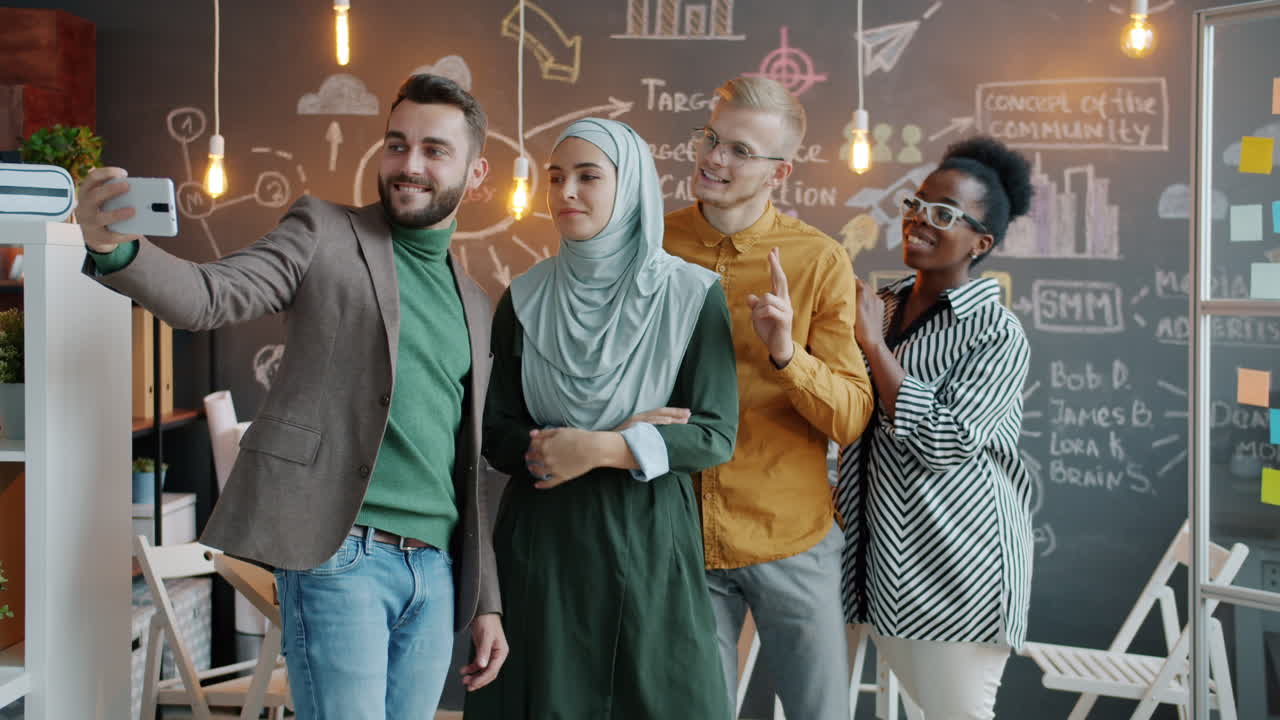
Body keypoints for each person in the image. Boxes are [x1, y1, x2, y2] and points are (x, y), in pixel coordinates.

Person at [76, 73, 507, 719]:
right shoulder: (323, 231)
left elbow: (467, 470)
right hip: (342, 554)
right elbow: (209, 295)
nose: (408, 164)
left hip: (438, 575)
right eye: (396, 144)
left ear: (476, 175)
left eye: (434, 150)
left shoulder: (477, 304)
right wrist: (114, 251)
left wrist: (487, 602)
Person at [464, 117, 738, 719]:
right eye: (556, 177)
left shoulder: (690, 294)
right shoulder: (526, 296)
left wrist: (606, 447)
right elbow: (496, 430)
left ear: (630, 186)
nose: (565, 192)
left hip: (646, 534)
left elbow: (715, 433)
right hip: (544, 538)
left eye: (589, 176)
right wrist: (548, 449)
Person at [663, 76, 875, 718]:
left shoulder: (818, 260)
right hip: (680, 536)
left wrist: (788, 353)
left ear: (779, 172)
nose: (714, 158)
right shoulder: (650, 242)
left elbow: (850, 417)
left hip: (793, 538)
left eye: (740, 151)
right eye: (711, 139)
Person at [837, 135, 1035, 720]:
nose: (921, 219)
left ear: (981, 242)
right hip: (864, 565)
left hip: (951, 574)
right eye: (917, 204)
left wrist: (873, 348)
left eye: (945, 214)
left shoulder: (996, 334)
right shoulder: (884, 305)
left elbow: (944, 442)